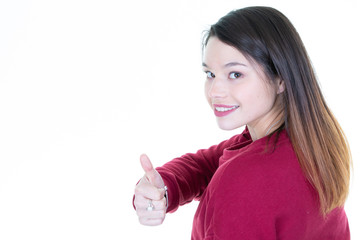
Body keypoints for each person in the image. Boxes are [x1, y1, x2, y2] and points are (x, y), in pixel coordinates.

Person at [133, 6, 351, 239]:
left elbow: (236, 174)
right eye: (210, 74)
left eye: (235, 74)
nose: (215, 90)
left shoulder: (246, 178)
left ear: (280, 79)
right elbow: (209, 163)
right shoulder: (307, 141)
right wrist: (165, 187)